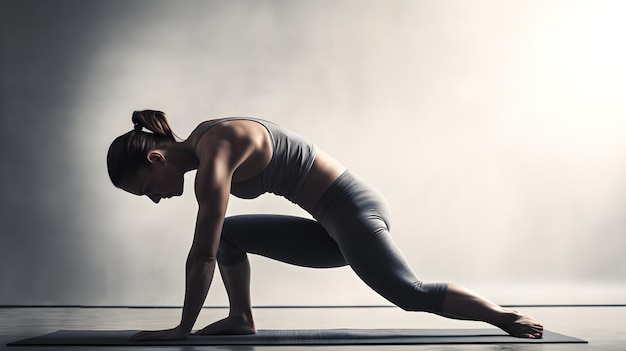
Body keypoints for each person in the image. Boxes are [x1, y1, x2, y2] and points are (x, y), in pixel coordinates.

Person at [106, 110, 543, 341]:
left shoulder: (214, 154)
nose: (155, 199)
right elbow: (214, 243)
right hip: (329, 227)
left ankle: (503, 316)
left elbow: (202, 251)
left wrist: (183, 328)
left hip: (353, 211)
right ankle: (241, 318)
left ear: (156, 158)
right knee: (232, 236)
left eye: (146, 189)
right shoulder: (204, 144)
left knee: (410, 294)